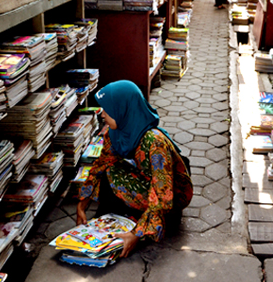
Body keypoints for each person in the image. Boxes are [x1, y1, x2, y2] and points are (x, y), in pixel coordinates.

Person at [76, 80, 193, 258]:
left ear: (123, 109)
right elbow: (101, 165)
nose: (102, 114)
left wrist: (135, 234)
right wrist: (82, 204)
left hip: (172, 192)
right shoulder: (115, 132)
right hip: (150, 180)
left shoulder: (153, 141)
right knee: (108, 171)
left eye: (107, 110)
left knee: (157, 206)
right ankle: (140, 216)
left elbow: (163, 194)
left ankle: (158, 220)